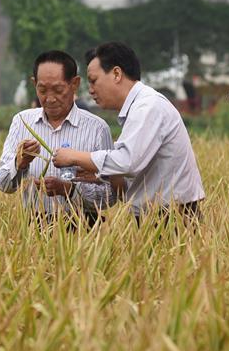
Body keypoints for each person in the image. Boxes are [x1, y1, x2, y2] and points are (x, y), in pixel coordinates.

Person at [52, 41, 205, 221]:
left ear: (117, 74)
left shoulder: (147, 107)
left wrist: (75, 157)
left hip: (172, 218)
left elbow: (128, 161)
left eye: (94, 81)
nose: (91, 90)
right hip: (158, 217)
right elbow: (131, 181)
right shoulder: (139, 108)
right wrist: (101, 175)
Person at [0, 50, 116, 223]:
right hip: (33, 228)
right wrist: (19, 163)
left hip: (84, 231)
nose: (50, 99)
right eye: (42, 90)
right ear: (34, 84)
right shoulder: (21, 122)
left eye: (58, 89)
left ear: (74, 84)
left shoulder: (97, 128)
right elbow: (4, 185)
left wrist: (69, 190)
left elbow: (110, 197)